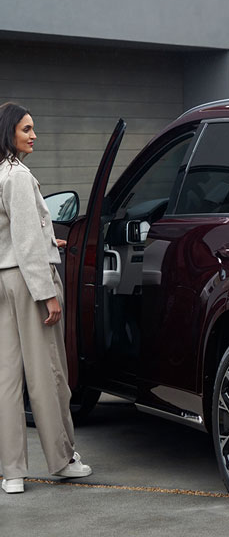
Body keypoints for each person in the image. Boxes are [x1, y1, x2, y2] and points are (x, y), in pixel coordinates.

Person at [0, 102, 92, 494]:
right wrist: (47, 294)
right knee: (48, 374)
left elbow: (12, 233)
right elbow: (24, 240)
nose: (34, 135)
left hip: (4, 281)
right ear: (9, 132)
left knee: (7, 380)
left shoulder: (0, 173)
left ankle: (12, 473)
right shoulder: (18, 176)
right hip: (28, 281)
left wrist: (47, 241)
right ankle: (62, 459)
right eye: (26, 129)